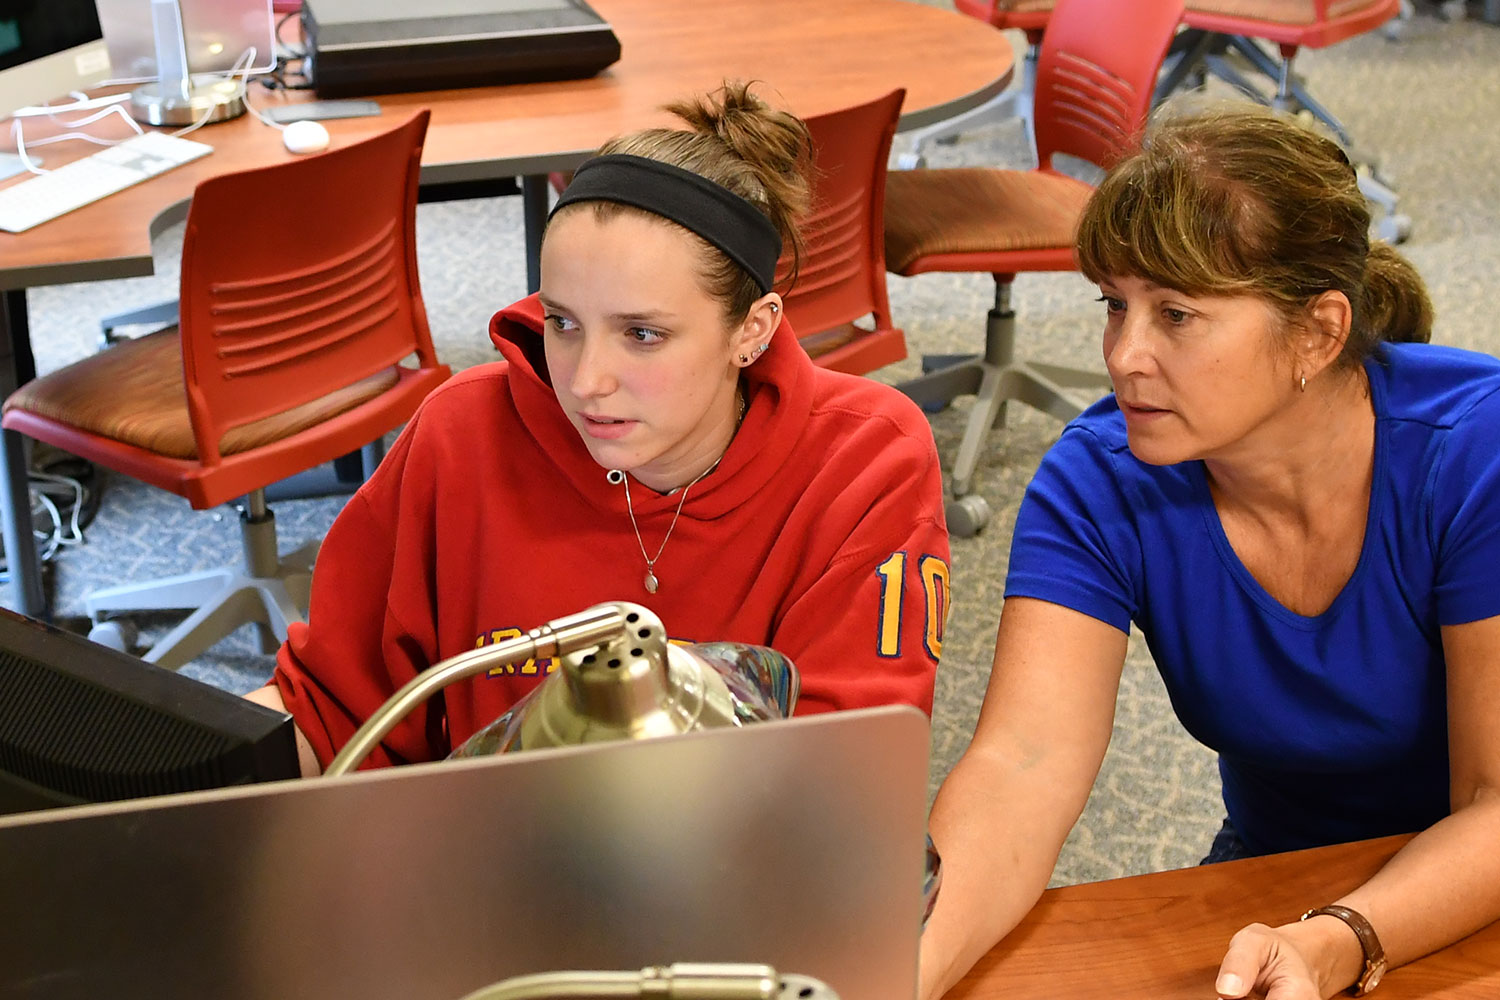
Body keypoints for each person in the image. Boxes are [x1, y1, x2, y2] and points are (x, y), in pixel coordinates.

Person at [918, 103, 1500, 1000]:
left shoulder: (1475, 452)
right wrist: (894, 976)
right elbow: (1019, 770)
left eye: (1177, 315)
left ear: (1318, 332)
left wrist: (1344, 938)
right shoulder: (1101, 477)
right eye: (1116, 305)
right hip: (1278, 876)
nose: (1122, 355)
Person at [247, 82, 950, 776]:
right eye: (563, 323)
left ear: (752, 329)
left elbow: (840, 781)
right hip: (481, 865)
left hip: (734, 874)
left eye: (642, 334)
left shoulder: (865, 459)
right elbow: (330, 713)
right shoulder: (461, 432)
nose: (585, 382)